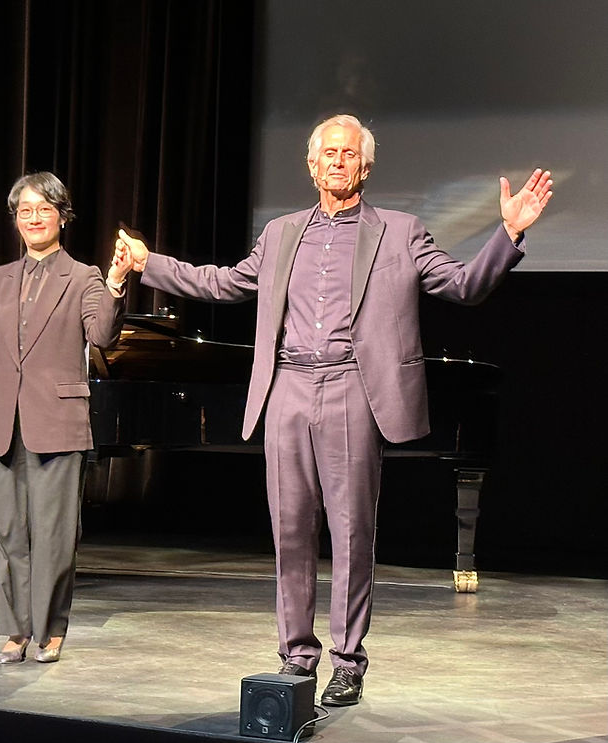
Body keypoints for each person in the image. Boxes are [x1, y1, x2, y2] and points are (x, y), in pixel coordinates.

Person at [116, 114, 552, 705]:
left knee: (351, 531)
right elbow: (223, 284)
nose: (339, 161)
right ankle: (297, 657)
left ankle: (348, 661)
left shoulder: (400, 231)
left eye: (350, 154)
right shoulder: (280, 233)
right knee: (290, 529)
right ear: (312, 164)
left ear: (365, 166)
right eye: (329, 153)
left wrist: (507, 234)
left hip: (354, 387)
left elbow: (464, 287)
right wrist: (151, 264)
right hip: (289, 388)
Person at [0, 172, 132, 664]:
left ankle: (50, 628)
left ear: (62, 215)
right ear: (15, 219)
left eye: (43, 209)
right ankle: (15, 629)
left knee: (55, 535)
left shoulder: (83, 276)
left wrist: (117, 281)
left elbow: (101, 336)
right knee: (6, 532)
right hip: (0, 422)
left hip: (56, 422)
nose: (34, 218)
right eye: (24, 210)